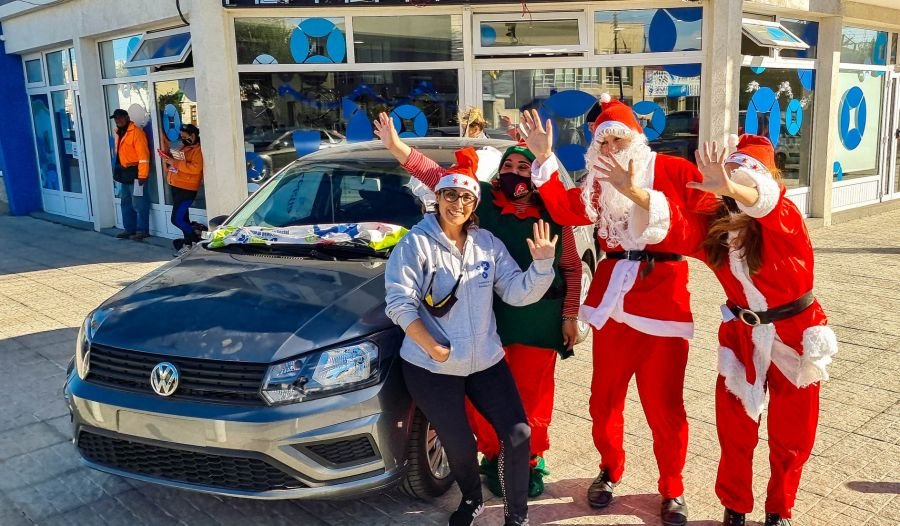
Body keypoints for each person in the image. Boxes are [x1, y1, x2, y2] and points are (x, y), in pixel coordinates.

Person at [518, 95, 712, 526]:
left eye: (617, 140)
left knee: (665, 407)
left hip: (663, 302)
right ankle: (609, 469)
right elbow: (567, 209)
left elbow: (702, 228)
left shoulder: (674, 171)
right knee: (604, 401)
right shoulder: (599, 181)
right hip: (613, 307)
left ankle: (673, 489)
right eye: (602, 143)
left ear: (636, 140)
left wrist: (639, 194)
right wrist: (545, 157)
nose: (610, 150)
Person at [375, 112, 582, 498]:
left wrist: (571, 314)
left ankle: (529, 460)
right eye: (509, 165)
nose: (516, 171)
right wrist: (397, 147)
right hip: (492, 318)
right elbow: (442, 180)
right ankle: (492, 455)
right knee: (486, 401)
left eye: (525, 165)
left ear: (536, 171)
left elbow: (570, 267)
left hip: (539, 319)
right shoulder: (482, 202)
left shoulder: (556, 211)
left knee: (533, 397)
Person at [655, 136, 834, 526]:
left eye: (747, 181)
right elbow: (671, 227)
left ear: (765, 182)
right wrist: (630, 188)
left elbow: (768, 204)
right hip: (741, 334)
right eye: (732, 181)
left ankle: (779, 509)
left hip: (796, 335)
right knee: (735, 430)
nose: (736, 191)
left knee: (792, 435)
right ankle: (734, 505)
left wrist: (733, 186)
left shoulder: (786, 221)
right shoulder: (720, 234)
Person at [159, 124, 204, 255]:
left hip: (187, 189)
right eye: (181, 137)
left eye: (185, 137)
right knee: (183, 218)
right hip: (176, 185)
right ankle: (189, 244)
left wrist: (174, 162)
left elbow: (196, 168)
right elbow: (177, 163)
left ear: (193, 135)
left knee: (176, 219)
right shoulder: (185, 147)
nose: (183, 139)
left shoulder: (197, 150)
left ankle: (195, 239)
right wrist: (168, 158)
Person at [110, 109, 151, 240]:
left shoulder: (136, 133)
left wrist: (143, 175)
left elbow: (144, 155)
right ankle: (129, 229)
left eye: (121, 117)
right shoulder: (119, 133)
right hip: (124, 173)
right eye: (116, 118)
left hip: (135, 172)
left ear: (127, 117)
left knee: (139, 203)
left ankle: (142, 230)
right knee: (125, 202)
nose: (118, 120)